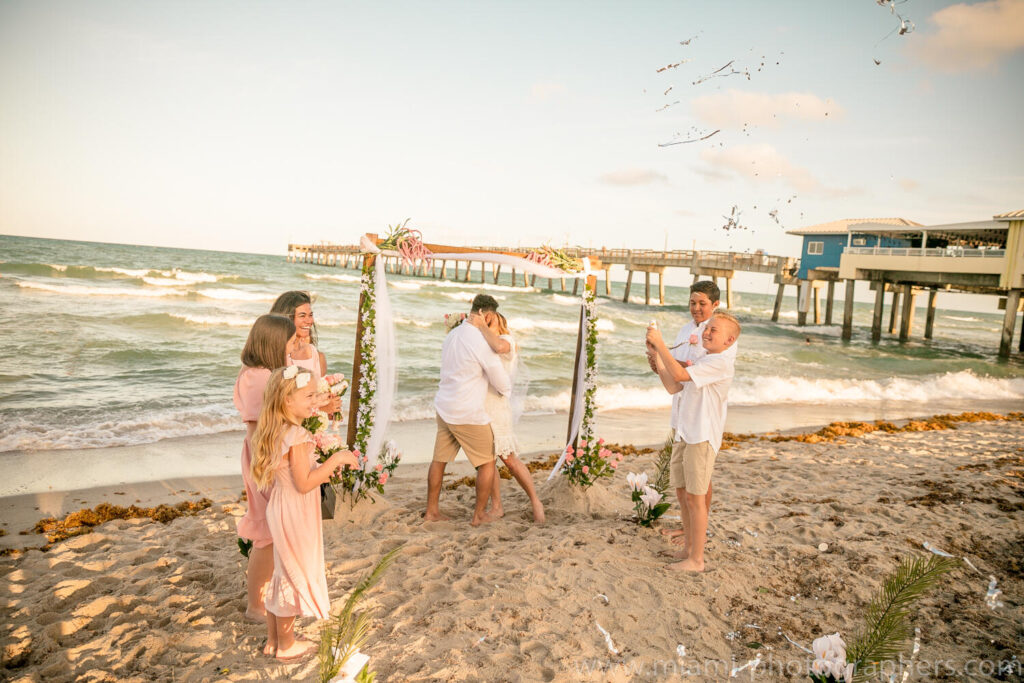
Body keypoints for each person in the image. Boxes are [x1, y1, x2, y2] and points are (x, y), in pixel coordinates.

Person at [250, 365, 359, 660]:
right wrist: (336, 460)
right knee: (292, 573)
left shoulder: (278, 429)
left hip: (282, 506)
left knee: (283, 571)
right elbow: (305, 483)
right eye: (310, 395)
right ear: (288, 401)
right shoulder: (298, 436)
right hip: (296, 510)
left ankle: (274, 640)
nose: (316, 400)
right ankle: (286, 645)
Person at [646, 311, 741, 572]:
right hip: (686, 432)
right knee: (682, 492)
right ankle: (688, 548)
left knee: (696, 499)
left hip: (702, 436)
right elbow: (673, 386)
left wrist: (661, 344)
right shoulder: (703, 358)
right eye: (707, 328)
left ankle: (697, 560)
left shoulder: (720, 363)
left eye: (714, 330)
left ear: (729, 340)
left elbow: (679, 375)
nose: (707, 332)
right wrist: (657, 357)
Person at [645, 281, 726, 546]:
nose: (696, 308)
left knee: (700, 482)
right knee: (686, 481)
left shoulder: (717, 335)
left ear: (715, 305)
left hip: (703, 416)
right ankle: (688, 527)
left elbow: (688, 369)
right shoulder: (685, 329)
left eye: (702, 303)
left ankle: (697, 532)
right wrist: (657, 360)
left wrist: (663, 352)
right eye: (692, 302)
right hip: (683, 412)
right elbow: (675, 374)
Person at [426, 294, 511, 526]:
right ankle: (479, 514)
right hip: (467, 412)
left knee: (439, 460)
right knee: (487, 463)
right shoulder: (480, 341)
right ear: (489, 315)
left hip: (444, 406)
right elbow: (499, 379)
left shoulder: (452, 335)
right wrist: (505, 390)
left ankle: (431, 511)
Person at [234, 314, 298, 621]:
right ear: (274, 343)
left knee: (272, 530)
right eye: (288, 342)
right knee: (266, 533)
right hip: (264, 459)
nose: (292, 347)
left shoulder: (258, 372)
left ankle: (265, 600)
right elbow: (256, 428)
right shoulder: (259, 378)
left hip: (264, 455)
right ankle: (255, 607)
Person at [469, 311, 545, 524]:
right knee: (487, 461)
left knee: (509, 459)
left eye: (492, 321)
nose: (488, 324)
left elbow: (499, 347)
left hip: (498, 408)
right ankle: (497, 506)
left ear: (500, 324)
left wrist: (483, 326)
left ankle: (535, 501)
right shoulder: (483, 342)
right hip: (480, 406)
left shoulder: (507, 341)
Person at [270, 291, 341, 415]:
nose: (309, 321)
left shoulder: (315, 355)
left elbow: (316, 400)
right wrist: (321, 409)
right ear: (287, 318)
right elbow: (278, 405)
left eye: (310, 315)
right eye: (302, 316)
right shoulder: (276, 355)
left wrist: (330, 407)